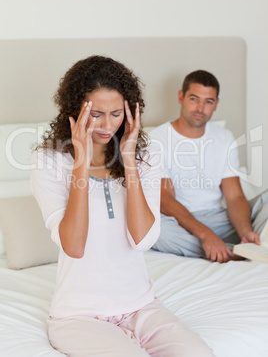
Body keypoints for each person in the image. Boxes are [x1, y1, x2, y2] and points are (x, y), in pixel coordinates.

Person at [30, 57, 213, 357]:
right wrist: (80, 160)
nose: (106, 125)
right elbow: (74, 245)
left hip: (141, 307)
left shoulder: (146, 154)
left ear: (130, 112)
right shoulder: (48, 160)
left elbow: (142, 239)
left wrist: (129, 161)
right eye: (96, 114)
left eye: (116, 114)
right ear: (75, 110)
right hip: (78, 315)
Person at [150, 69, 268, 263]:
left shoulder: (224, 137)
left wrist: (245, 231)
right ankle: (230, 251)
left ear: (216, 104)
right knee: (157, 230)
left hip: (219, 220)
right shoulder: (157, 139)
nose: (200, 108)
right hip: (179, 222)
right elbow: (165, 200)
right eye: (194, 99)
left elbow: (235, 196)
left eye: (208, 101)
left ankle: (243, 246)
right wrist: (205, 234)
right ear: (181, 97)